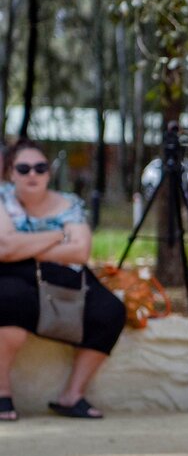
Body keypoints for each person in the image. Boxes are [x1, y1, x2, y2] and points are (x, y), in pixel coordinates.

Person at [0, 137, 126, 420]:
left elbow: (80, 251)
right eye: (23, 169)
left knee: (111, 311)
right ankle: (2, 392)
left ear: (49, 172)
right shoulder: (2, 199)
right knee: (9, 301)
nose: (32, 174)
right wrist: (58, 235)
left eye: (40, 168)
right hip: (13, 275)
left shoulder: (68, 202)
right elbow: (5, 249)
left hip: (64, 277)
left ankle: (72, 395)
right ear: (10, 173)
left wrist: (25, 245)